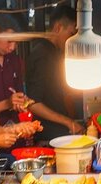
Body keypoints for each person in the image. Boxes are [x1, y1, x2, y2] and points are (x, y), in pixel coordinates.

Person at [26, 5, 85, 141]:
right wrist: (67, 122)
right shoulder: (41, 54)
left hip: (60, 130)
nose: (72, 40)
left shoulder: (55, 52)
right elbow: (33, 103)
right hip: (48, 134)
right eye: (71, 34)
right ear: (58, 28)